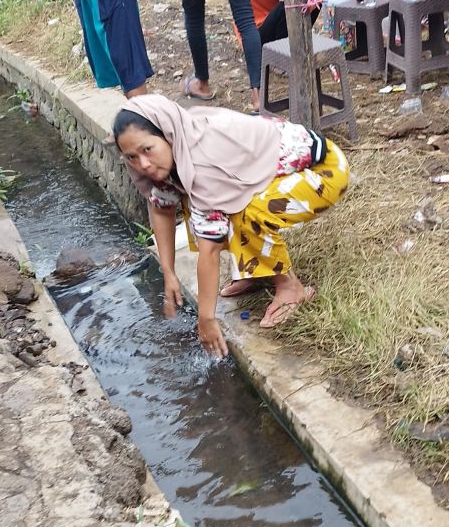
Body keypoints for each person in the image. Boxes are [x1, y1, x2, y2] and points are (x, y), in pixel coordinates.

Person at [113, 95, 348, 356]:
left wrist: (206, 318)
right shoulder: (174, 152)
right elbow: (161, 208)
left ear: (168, 135)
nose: (142, 164)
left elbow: (209, 250)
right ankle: (255, 272)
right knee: (202, 210)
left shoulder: (202, 159)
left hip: (324, 171)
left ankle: (291, 288)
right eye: (132, 157)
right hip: (264, 174)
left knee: (246, 213)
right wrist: (168, 272)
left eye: (148, 150)